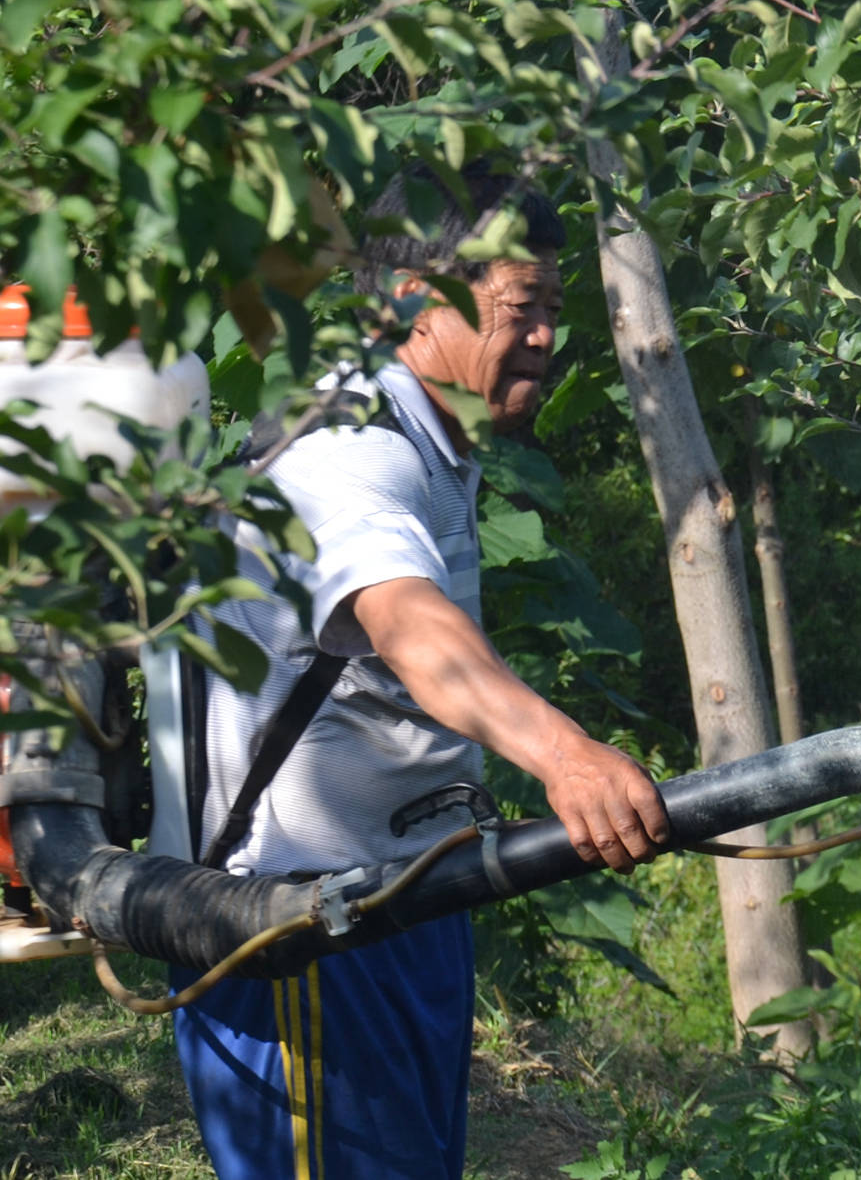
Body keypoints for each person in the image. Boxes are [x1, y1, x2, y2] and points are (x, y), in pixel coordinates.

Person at [169, 162, 669, 1180]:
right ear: (413, 300)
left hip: (395, 911)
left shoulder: (436, 440)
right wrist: (563, 754)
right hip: (293, 932)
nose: (543, 337)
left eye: (551, 310)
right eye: (518, 309)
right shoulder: (346, 447)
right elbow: (407, 622)